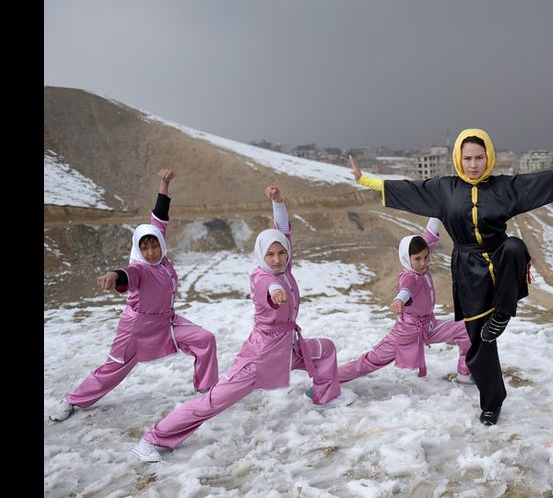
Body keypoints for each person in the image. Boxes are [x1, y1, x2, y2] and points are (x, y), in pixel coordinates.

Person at [351, 128, 553, 425]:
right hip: (467, 272)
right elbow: (408, 190)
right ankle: (491, 402)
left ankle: (502, 312)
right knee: (479, 343)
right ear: (458, 159)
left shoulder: (504, 188)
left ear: (488, 157)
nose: (473, 164)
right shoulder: (444, 189)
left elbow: (543, 183)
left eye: (479, 157)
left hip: (501, 260)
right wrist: (365, 180)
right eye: (467, 158)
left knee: (515, 246)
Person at [132, 186, 353, 462]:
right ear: (262, 256)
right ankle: (152, 439)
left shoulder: (284, 266)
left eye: (281, 254)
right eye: (270, 255)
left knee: (325, 349)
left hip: (287, 347)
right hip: (260, 356)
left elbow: (284, 233)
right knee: (212, 402)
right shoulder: (264, 277)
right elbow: (269, 288)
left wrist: (278, 203)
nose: (276, 259)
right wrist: (276, 293)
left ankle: (324, 395)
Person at [50, 169, 218, 422]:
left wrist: (164, 184)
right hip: (136, 329)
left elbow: (160, 219)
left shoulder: (162, 260)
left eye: (154, 245)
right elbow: (126, 274)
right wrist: (113, 275)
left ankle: (206, 389)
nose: (151, 251)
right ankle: (72, 401)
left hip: (166, 323)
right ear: (139, 250)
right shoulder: (140, 268)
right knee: (113, 369)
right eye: (145, 247)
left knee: (204, 339)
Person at [337, 218, 473, 384]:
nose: (423, 263)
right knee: (371, 362)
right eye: (417, 259)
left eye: (425, 257)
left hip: (429, 326)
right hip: (407, 333)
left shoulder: (421, 262)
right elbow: (405, 291)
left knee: (466, 328)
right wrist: (399, 301)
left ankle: (464, 374)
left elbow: (428, 239)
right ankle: (328, 380)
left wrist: (438, 212)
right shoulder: (410, 277)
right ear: (407, 258)